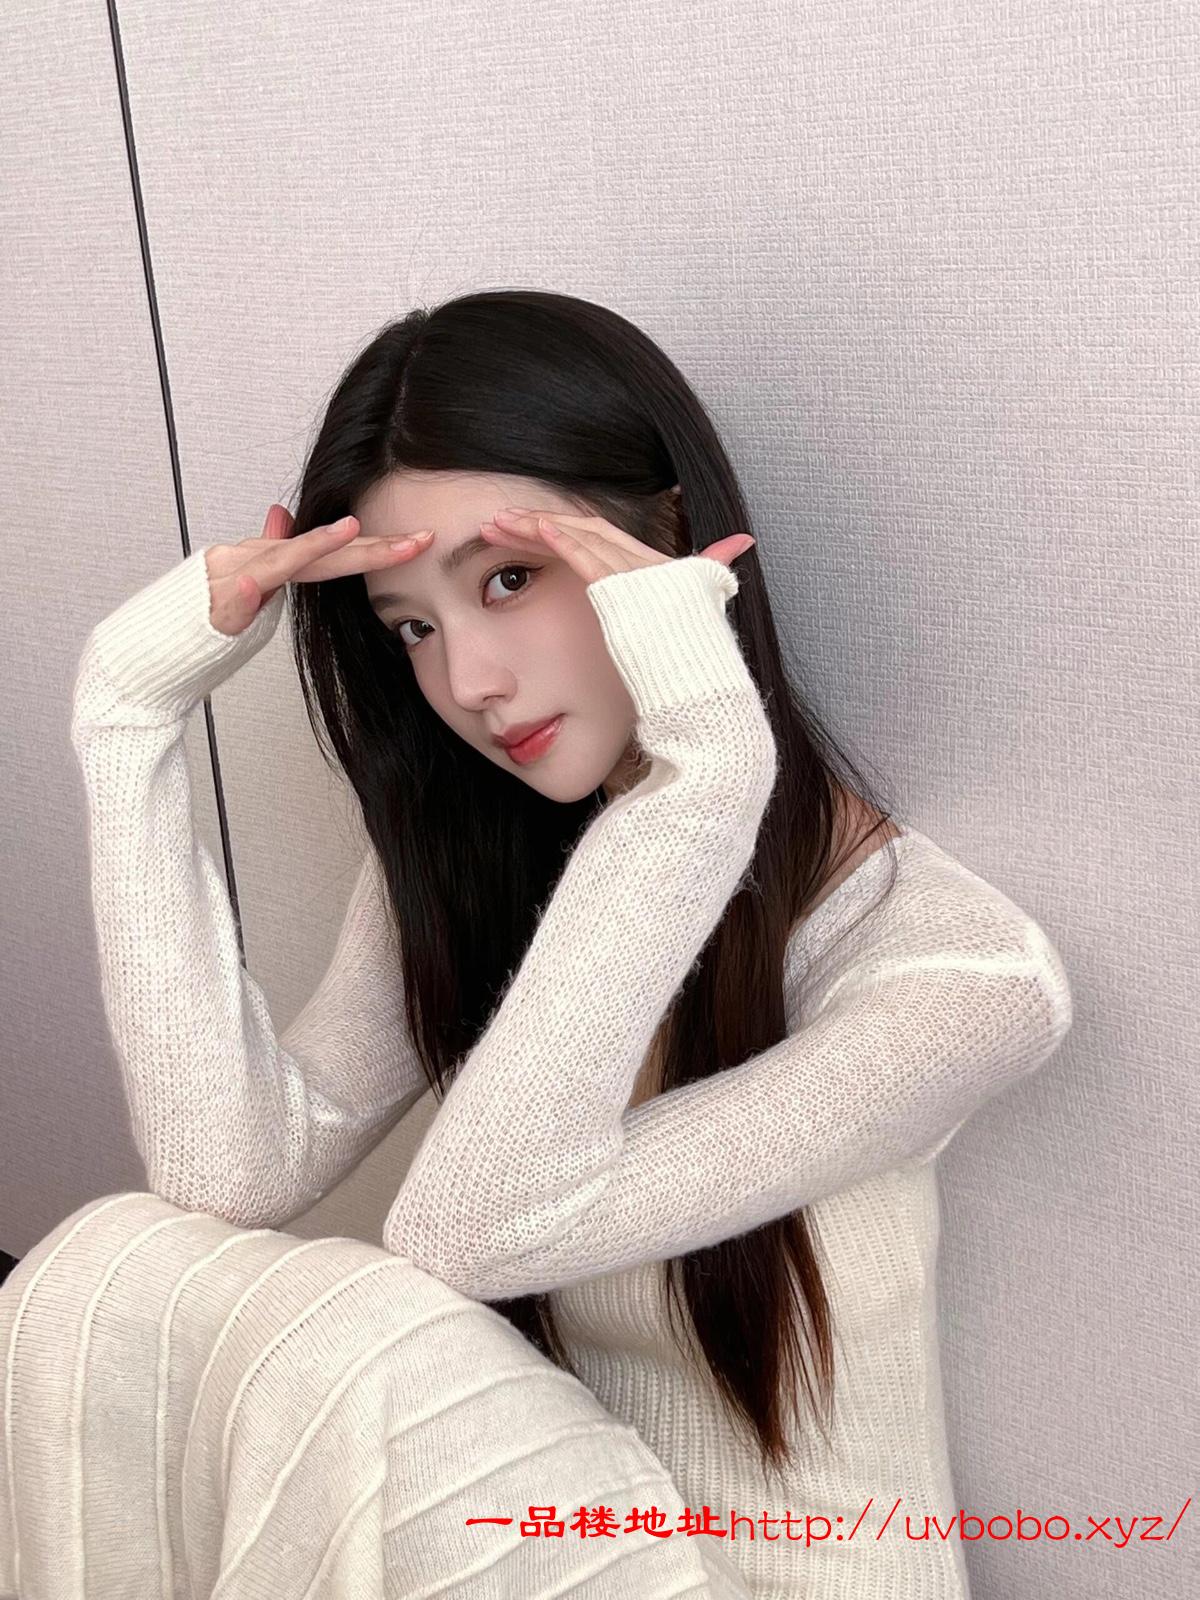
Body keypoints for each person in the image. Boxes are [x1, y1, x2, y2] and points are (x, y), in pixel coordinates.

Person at [16, 291, 1073, 1598]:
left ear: (669, 546)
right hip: (519, 1560)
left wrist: (703, 767)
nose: (467, 682)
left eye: (507, 580)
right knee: (118, 1266)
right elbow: (221, 1177)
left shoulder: (959, 976)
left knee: (359, 1338)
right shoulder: (491, 868)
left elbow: (475, 1231)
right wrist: (125, 720)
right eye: (412, 626)